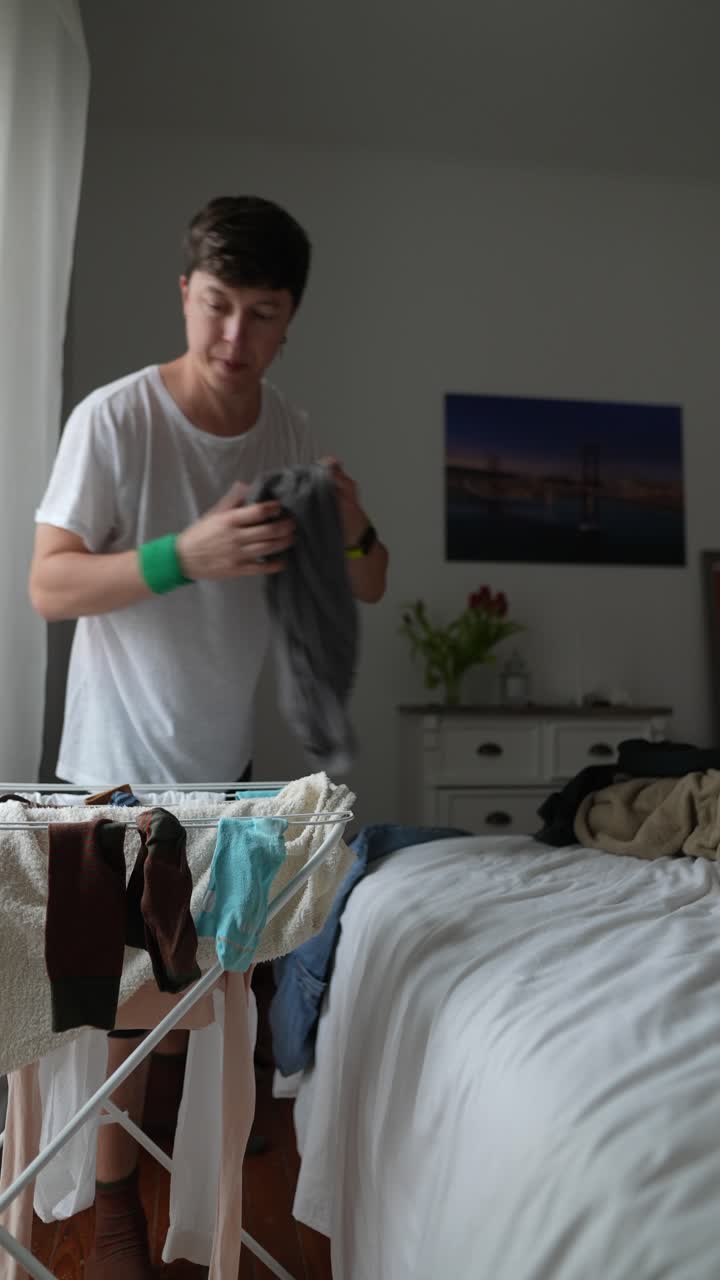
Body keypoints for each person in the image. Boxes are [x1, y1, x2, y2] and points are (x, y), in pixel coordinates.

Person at [28, 194, 388, 1279]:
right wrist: (183, 555)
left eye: (262, 314)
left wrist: (353, 511)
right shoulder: (116, 419)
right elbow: (48, 584)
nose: (234, 337)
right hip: (107, 767)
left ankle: (178, 1188)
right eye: (218, 305)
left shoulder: (287, 431)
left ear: (289, 325)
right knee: (108, 1011)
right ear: (186, 293)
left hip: (227, 773)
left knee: (190, 1005)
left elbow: (366, 578)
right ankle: (112, 1200)